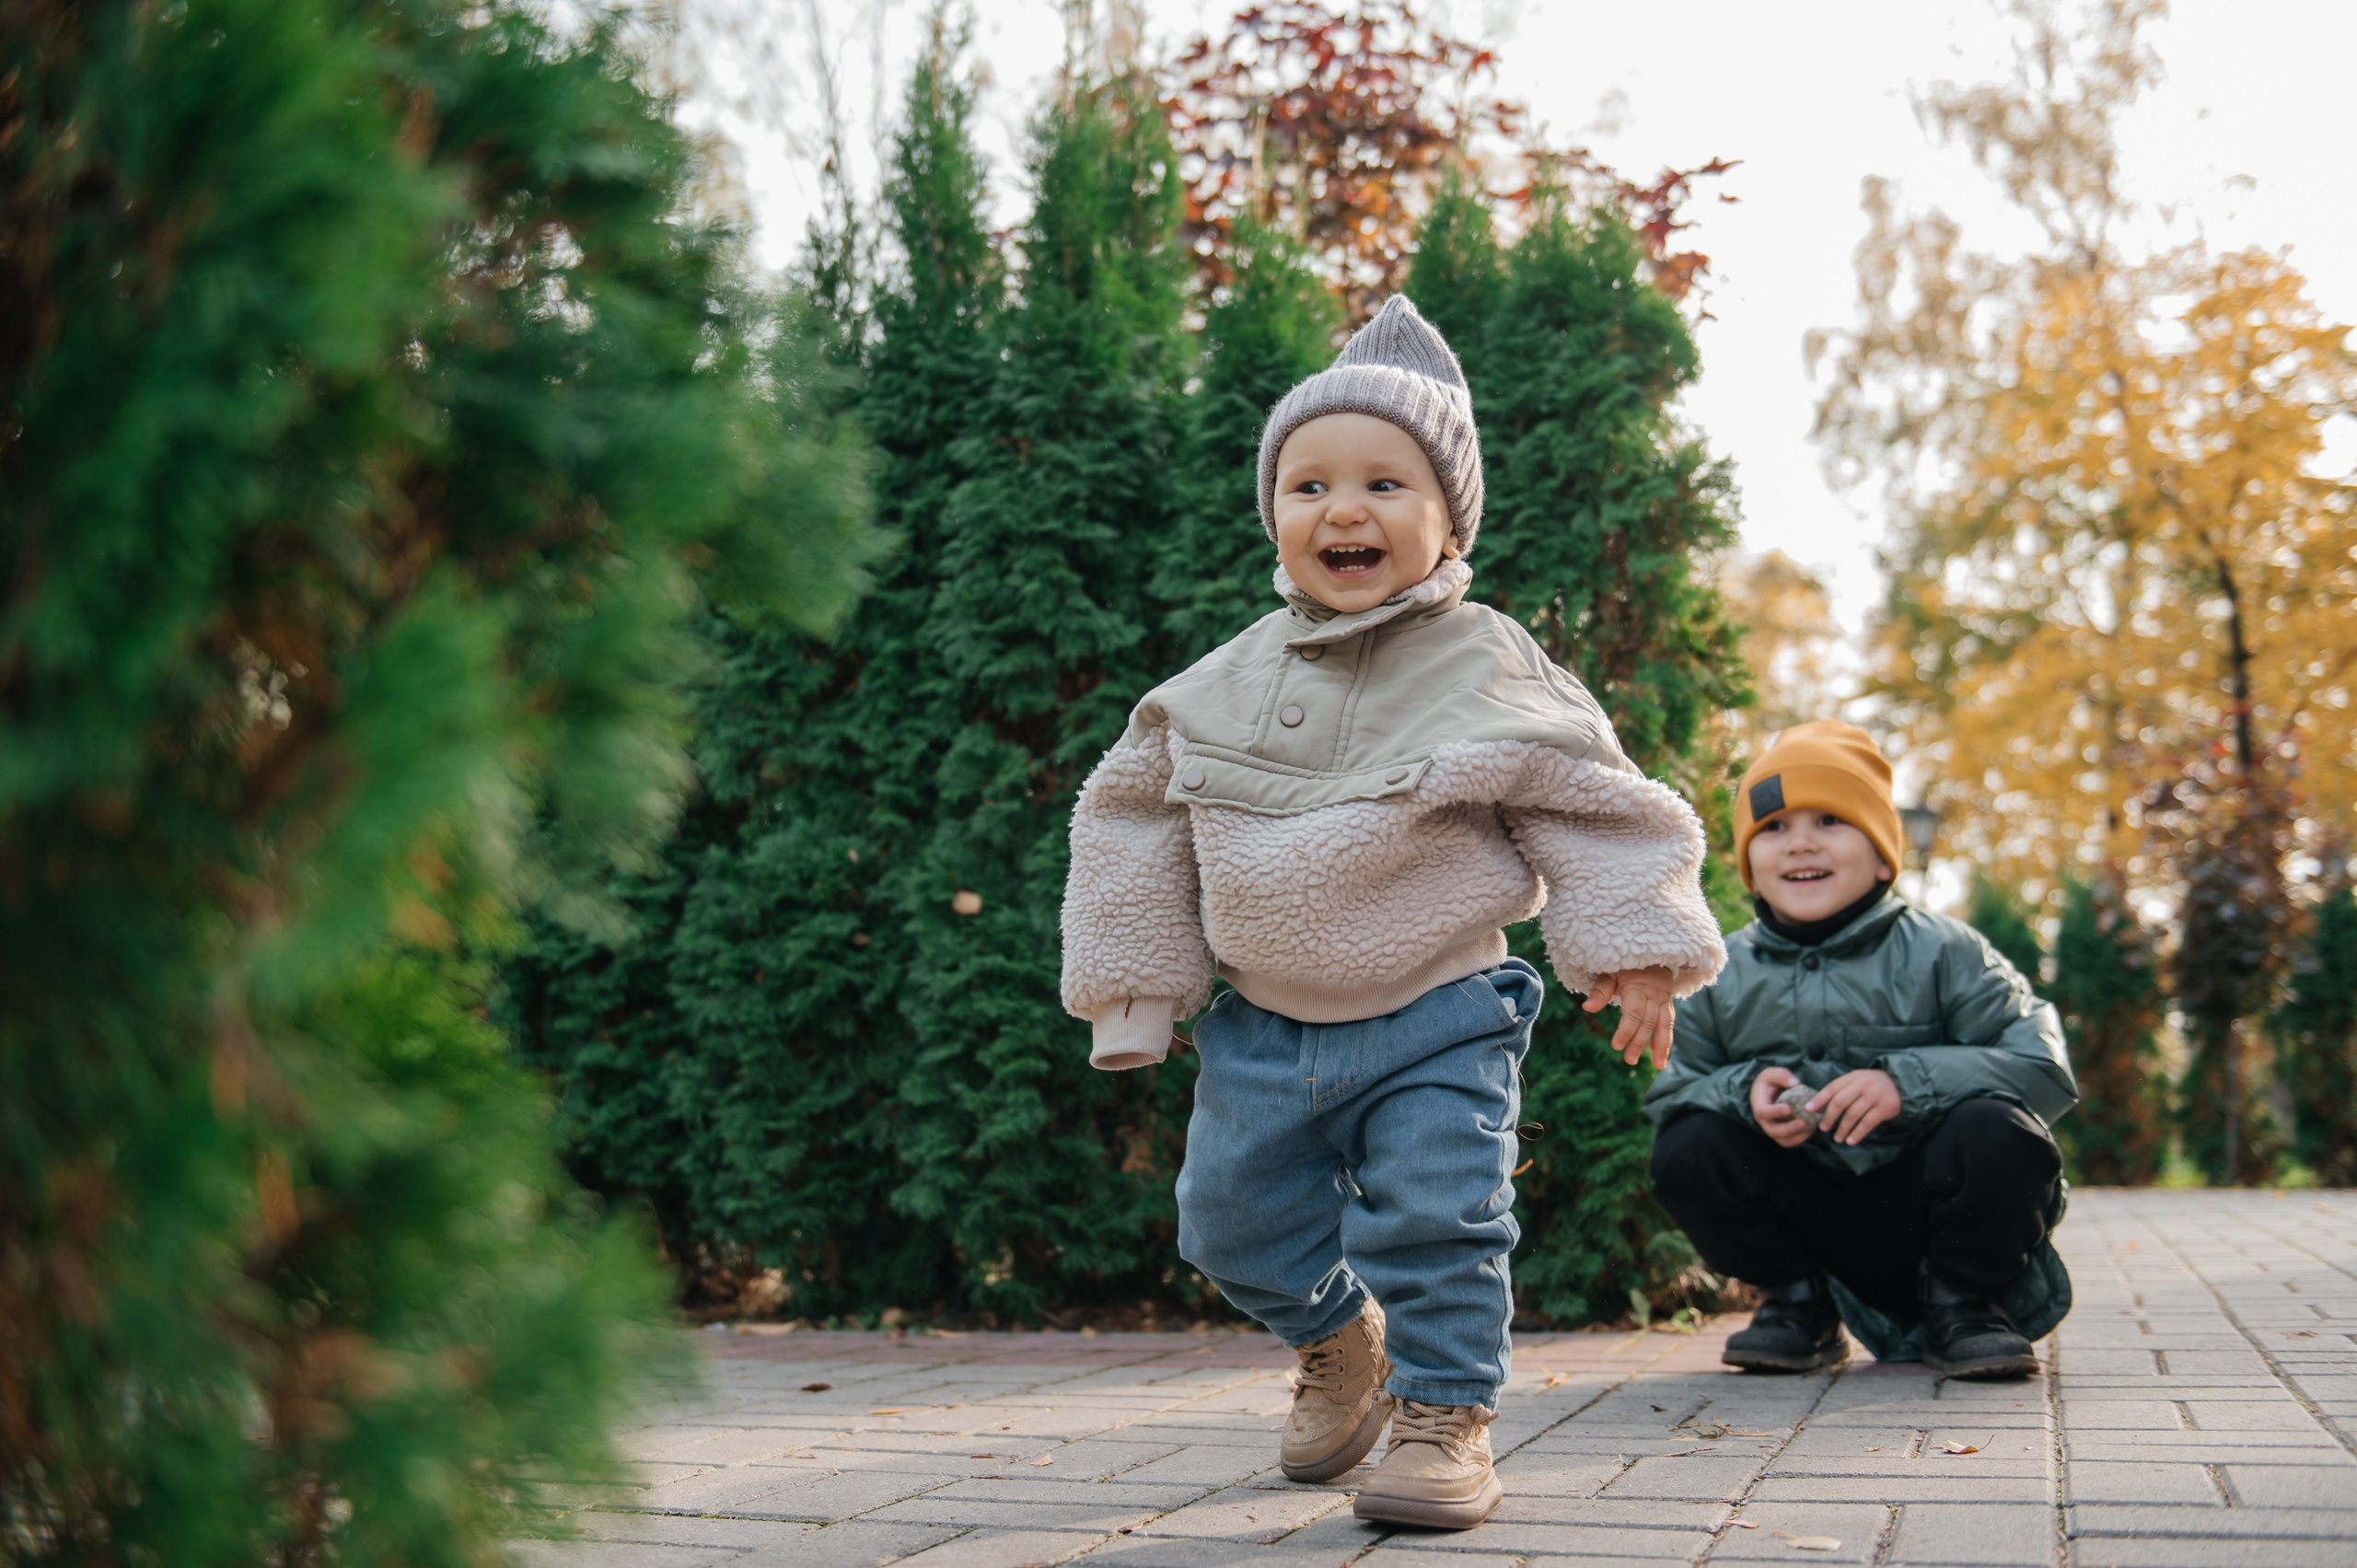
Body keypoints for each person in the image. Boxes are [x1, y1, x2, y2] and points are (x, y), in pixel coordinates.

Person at [1059, 296, 1726, 1527]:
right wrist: (1136, 987)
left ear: (1449, 519)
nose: (1343, 509)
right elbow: (1130, 814)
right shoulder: (1224, 677)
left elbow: (1593, 803)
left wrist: (1635, 949)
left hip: (1437, 1010)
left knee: (1438, 1216)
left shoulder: (1487, 660)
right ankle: (1339, 1340)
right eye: (1308, 484)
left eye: (1384, 482)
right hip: (1262, 1026)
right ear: (1273, 511)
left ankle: (1443, 1412)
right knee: (1223, 1225)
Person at [1644, 720, 2077, 1379]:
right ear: (1749, 866)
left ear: (1881, 855)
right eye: (1774, 827)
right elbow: (1674, 1088)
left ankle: (1964, 1303)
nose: (1801, 842)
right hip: (1809, 1211)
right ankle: (1796, 1301)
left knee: (2001, 1130)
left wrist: (1909, 1083)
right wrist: (1742, 1091)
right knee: (1688, 1144)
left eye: (1830, 820)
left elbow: (2042, 1066)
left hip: (1930, 1208)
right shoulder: (1718, 973)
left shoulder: (1947, 951)